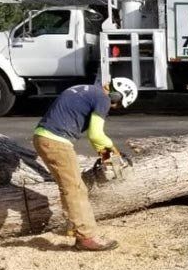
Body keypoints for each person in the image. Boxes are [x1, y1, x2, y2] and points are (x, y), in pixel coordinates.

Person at [33, 79, 137, 251]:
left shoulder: (85, 89)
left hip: (43, 137)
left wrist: (106, 157)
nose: (113, 108)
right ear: (117, 95)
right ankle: (86, 238)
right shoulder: (103, 98)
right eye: (117, 104)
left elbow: (91, 133)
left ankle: (75, 228)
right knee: (75, 188)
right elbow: (96, 135)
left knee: (70, 187)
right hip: (56, 141)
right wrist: (114, 156)